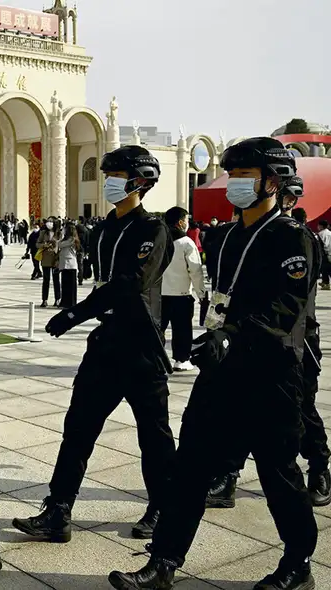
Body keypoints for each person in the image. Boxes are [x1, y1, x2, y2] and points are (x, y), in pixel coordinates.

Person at [108, 137, 318, 590]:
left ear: (273, 181)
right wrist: (217, 334)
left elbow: (287, 306)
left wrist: (232, 334)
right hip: (223, 373)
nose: (235, 185)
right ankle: (163, 562)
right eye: (234, 176)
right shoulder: (225, 236)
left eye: (246, 177)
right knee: (189, 469)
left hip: (272, 375)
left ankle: (298, 564)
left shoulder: (292, 237)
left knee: (278, 474)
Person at [11, 145, 176, 544]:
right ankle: (58, 510)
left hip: (141, 344)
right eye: (109, 174)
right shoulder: (103, 229)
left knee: (152, 434)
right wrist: (85, 314)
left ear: (140, 181)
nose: (109, 182)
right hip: (106, 342)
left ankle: (163, 508)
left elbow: (131, 283)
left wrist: (74, 313)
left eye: (117, 174)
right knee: (78, 428)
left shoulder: (153, 229)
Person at [205, 176, 331, 512]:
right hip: (244, 338)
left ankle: (319, 469)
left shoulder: (296, 238)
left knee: (302, 411)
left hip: (293, 340)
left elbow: (293, 299)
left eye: (292, 198)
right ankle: (228, 474)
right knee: (234, 409)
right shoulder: (238, 238)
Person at [160, 206, 206, 372]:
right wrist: (201, 293)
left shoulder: (160, 240)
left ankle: (156, 358)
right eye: (186, 220)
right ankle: (181, 359)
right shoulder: (186, 243)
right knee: (182, 329)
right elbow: (195, 271)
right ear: (180, 222)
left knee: (159, 328)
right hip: (181, 294)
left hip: (160, 294)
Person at [38, 218, 62, 307]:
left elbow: (61, 247)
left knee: (56, 280)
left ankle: (57, 299)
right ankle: (44, 299)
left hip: (55, 259)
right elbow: (37, 244)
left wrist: (59, 258)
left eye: (51, 222)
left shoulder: (59, 234)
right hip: (46, 259)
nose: (49, 223)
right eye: (48, 221)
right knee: (46, 280)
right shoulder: (43, 233)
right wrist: (43, 245)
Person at [56, 223, 80, 307]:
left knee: (71, 286)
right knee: (65, 285)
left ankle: (71, 303)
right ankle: (65, 301)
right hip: (65, 264)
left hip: (70, 265)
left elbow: (59, 244)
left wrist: (61, 235)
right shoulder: (67, 239)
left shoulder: (72, 239)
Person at [316, 220, 331, 290]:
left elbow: (323, 245)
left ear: (321, 226)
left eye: (318, 225)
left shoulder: (320, 234)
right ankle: (325, 282)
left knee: (325, 269)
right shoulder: (329, 232)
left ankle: (326, 283)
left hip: (325, 254)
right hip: (329, 253)